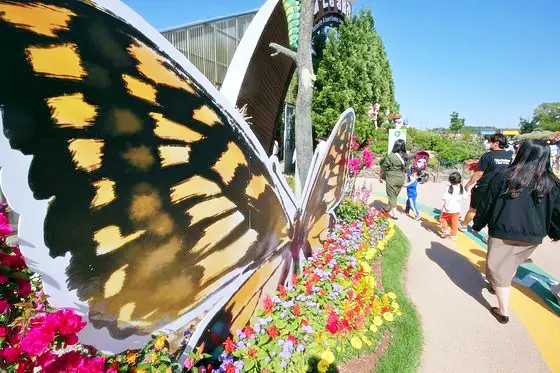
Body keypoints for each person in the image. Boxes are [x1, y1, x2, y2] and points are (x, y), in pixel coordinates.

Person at [472, 140, 560, 324]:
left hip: (503, 231)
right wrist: (555, 232)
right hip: (533, 236)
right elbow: (556, 211)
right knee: (510, 264)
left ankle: (503, 311)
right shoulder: (552, 183)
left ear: (522, 153)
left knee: (497, 267)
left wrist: (478, 223)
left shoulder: (504, 176)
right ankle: (498, 284)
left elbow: (487, 203)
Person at [461, 134, 513, 233]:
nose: (488, 143)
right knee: (492, 210)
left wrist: (468, 184)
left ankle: (463, 225)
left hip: (484, 187)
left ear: (496, 143)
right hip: (499, 188)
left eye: (490, 142)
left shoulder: (487, 156)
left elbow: (479, 174)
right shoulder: (509, 156)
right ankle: (489, 235)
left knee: (473, 208)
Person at [380, 139, 407, 219]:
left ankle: (395, 215)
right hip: (401, 178)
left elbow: (384, 166)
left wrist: (382, 175)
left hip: (392, 178)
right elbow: (407, 167)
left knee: (392, 196)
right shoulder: (405, 156)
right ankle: (386, 209)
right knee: (394, 196)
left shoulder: (391, 156)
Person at [440, 172, 466, 241]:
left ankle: (445, 230)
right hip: (456, 208)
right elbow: (465, 196)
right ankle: (453, 235)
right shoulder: (461, 187)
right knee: (454, 222)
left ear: (449, 180)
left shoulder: (448, 187)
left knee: (443, 219)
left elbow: (445, 198)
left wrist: (445, 206)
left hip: (448, 207)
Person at [404, 152, 429, 221]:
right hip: (412, 193)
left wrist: (405, 185)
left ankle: (417, 214)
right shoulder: (413, 173)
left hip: (412, 194)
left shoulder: (414, 179)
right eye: (420, 161)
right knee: (408, 201)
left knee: (412, 203)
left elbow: (410, 183)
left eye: (423, 162)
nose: (421, 163)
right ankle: (406, 211)